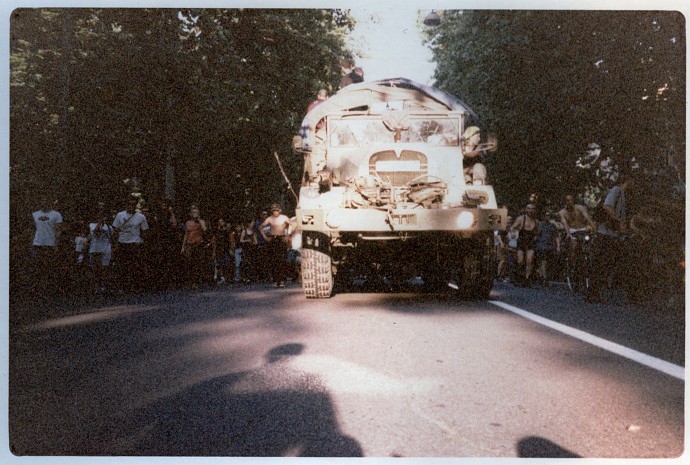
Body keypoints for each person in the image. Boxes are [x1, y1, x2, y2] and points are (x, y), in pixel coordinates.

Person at [586, 172, 638, 303]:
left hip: (611, 234)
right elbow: (607, 206)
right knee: (601, 263)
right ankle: (593, 293)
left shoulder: (623, 195)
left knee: (605, 264)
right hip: (605, 234)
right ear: (628, 180)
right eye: (633, 181)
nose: (634, 185)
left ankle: (597, 293)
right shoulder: (616, 190)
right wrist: (619, 221)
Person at [113, 196, 149, 293]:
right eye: (128, 204)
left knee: (135, 265)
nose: (130, 206)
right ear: (126, 205)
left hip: (134, 242)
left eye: (132, 205)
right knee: (122, 265)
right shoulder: (120, 215)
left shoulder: (141, 217)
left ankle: (134, 286)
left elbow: (145, 230)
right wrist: (115, 244)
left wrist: (142, 241)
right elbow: (115, 230)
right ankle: (122, 286)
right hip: (122, 242)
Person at [31, 198, 63, 295]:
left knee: (49, 267)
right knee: (38, 267)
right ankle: (38, 289)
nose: (44, 203)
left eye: (46, 201)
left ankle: (50, 289)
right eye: (42, 201)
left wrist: (56, 244)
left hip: (50, 244)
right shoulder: (35, 214)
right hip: (37, 243)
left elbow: (58, 230)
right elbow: (32, 229)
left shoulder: (56, 214)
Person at [259, 203, 292, 287]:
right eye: (273, 210)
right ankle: (275, 280)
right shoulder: (269, 219)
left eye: (276, 210)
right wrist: (265, 237)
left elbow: (293, 224)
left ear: (279, 210)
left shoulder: (284, 218)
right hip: (273, 239)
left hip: (282, 238)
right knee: (273, 260)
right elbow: (260, 227)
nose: (275, 212)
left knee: (282, 260)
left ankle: (281, 280)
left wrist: (288, 235)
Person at [510, 204, 541, 286]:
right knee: (520, 261)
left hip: (530, 243)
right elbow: (513, 227)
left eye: (533, 209)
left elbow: (538, 232)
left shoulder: (536, 221)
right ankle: (518, 277)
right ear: (526, 210)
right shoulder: (521, 219)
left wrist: (535, 238)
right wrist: (513, 233)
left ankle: (527, 279)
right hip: (521, 242)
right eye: (529, 209)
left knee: (529, 261)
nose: (531, 211)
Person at [559, 194, 595, 261]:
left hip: (583, 230)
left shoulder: (580, 208)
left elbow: (587, 218)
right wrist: (568, 233)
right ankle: (572, 262)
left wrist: (594, 228)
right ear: (565, 202)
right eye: (567, 200)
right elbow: (565, 223)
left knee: (589, 243)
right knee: (573, 246)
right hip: (572, 231)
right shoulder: (562, 212)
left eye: (571, 200)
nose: (570, 202)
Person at [87, 208, 115, 293]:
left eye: (103, 216)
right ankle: (96, 286)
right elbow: (96, 232)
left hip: (106, 249)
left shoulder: (109, 227)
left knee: (104, 268)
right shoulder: (92, 225)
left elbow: (112, 238)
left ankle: (103, 285)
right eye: (100, 216)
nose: (102, 217)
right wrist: (100, 223)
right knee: (95, 269)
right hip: (95, 249)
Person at [181, 206, 209, 291]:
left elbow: (205, 230)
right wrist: (183, 247)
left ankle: (196, 282)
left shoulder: (201, 222)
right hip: (190, 244)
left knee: (197, 263)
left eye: (196, 212)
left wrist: (199, 220)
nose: (194, 214)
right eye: (193, 213)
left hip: (198, 244)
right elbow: (186, 235)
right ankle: (191, 281)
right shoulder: (188, 223)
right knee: (189, 263)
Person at [211, 218, 231, 285]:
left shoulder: (227, 231)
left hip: (226, 249)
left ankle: (226, 277)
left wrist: (231, 249)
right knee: (219, 264)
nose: (220, 223)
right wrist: (214, 251)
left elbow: (230, 241)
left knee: (227, 263)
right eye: (219, 222)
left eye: (222, 221)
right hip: (219, 249)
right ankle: (222, 278)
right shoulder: (216, 231)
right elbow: (214, 242)